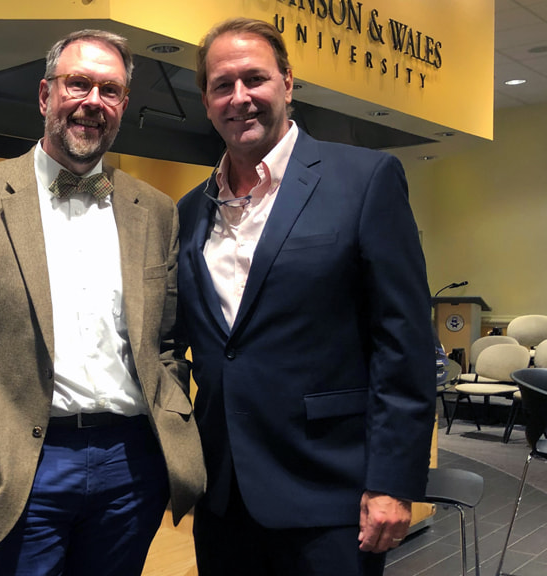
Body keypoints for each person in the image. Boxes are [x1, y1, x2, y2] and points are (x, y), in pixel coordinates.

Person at [0, 29, 204, 576]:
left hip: (131, 462)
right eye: (78, 84)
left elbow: (165, 342)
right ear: (46, 94)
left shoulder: (156, 209)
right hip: (24, 462)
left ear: (123, 105)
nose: (92, 102)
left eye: (111, 90)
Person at [176, 18, 435, 576]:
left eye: (255, 79)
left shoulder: (365, 179)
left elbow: (404, 345)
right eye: (223, 85)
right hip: (224, 497)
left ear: (288, 83)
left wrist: (392, 482)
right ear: (205, 100)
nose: (240, 97)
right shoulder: (189, 211)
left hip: (331, 495)